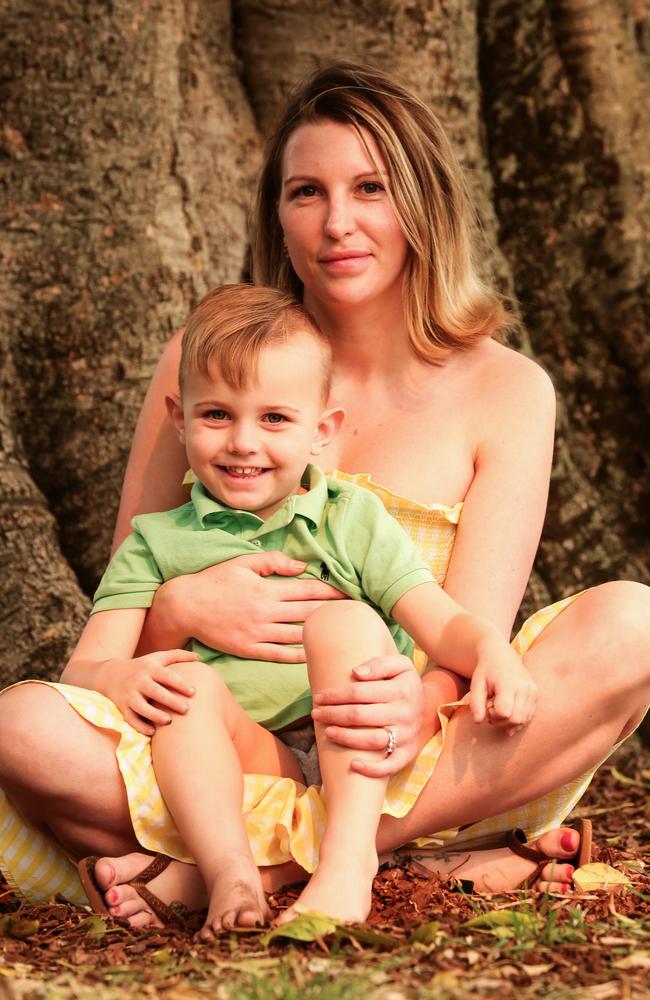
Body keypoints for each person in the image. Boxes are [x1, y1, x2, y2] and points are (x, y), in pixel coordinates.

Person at [0, 62, 648, 928]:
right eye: (307, 191)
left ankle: (248, 864)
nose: (338, 223)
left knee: (633, 626)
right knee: (22, 732)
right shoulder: (203, 354)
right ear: (276, 210)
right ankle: (373, 857)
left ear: (422, 202)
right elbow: (130, 607)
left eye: (371, 187)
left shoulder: (509, 389)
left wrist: (412, 706)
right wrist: (186, 608)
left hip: (412, 753)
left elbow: (464, 645)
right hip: (215, 738)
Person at [70, 282, 538, 935]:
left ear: (322, 432)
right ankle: (231, 875)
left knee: (344, 621)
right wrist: (116, 675)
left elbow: (439, 618)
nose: (243, 443)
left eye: (274, 419)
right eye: (216, 416)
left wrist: (490, 650)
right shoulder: (156, 542)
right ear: (178, 418)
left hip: (352, 750)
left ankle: (346, 862)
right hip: (234, 759)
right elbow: (84, 671)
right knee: (187, 686)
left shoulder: (347, 517)